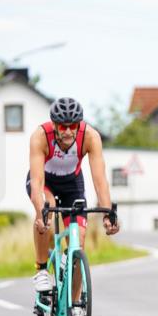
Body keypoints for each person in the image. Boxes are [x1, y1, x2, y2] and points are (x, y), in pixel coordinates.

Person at [27, 97, 119, 302]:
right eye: (63, 126)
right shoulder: (40, 136)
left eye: (73, 126)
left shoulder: (91, 136)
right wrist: (40, 210)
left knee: (80, 241)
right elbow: (36, 183)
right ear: (55, 125)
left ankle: (75, 305)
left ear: (79, 125)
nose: (68, 131)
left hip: (72, 185)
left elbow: (100, 179)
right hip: (45, 183)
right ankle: (41, 269)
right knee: (46, 212)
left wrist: (107, 213)